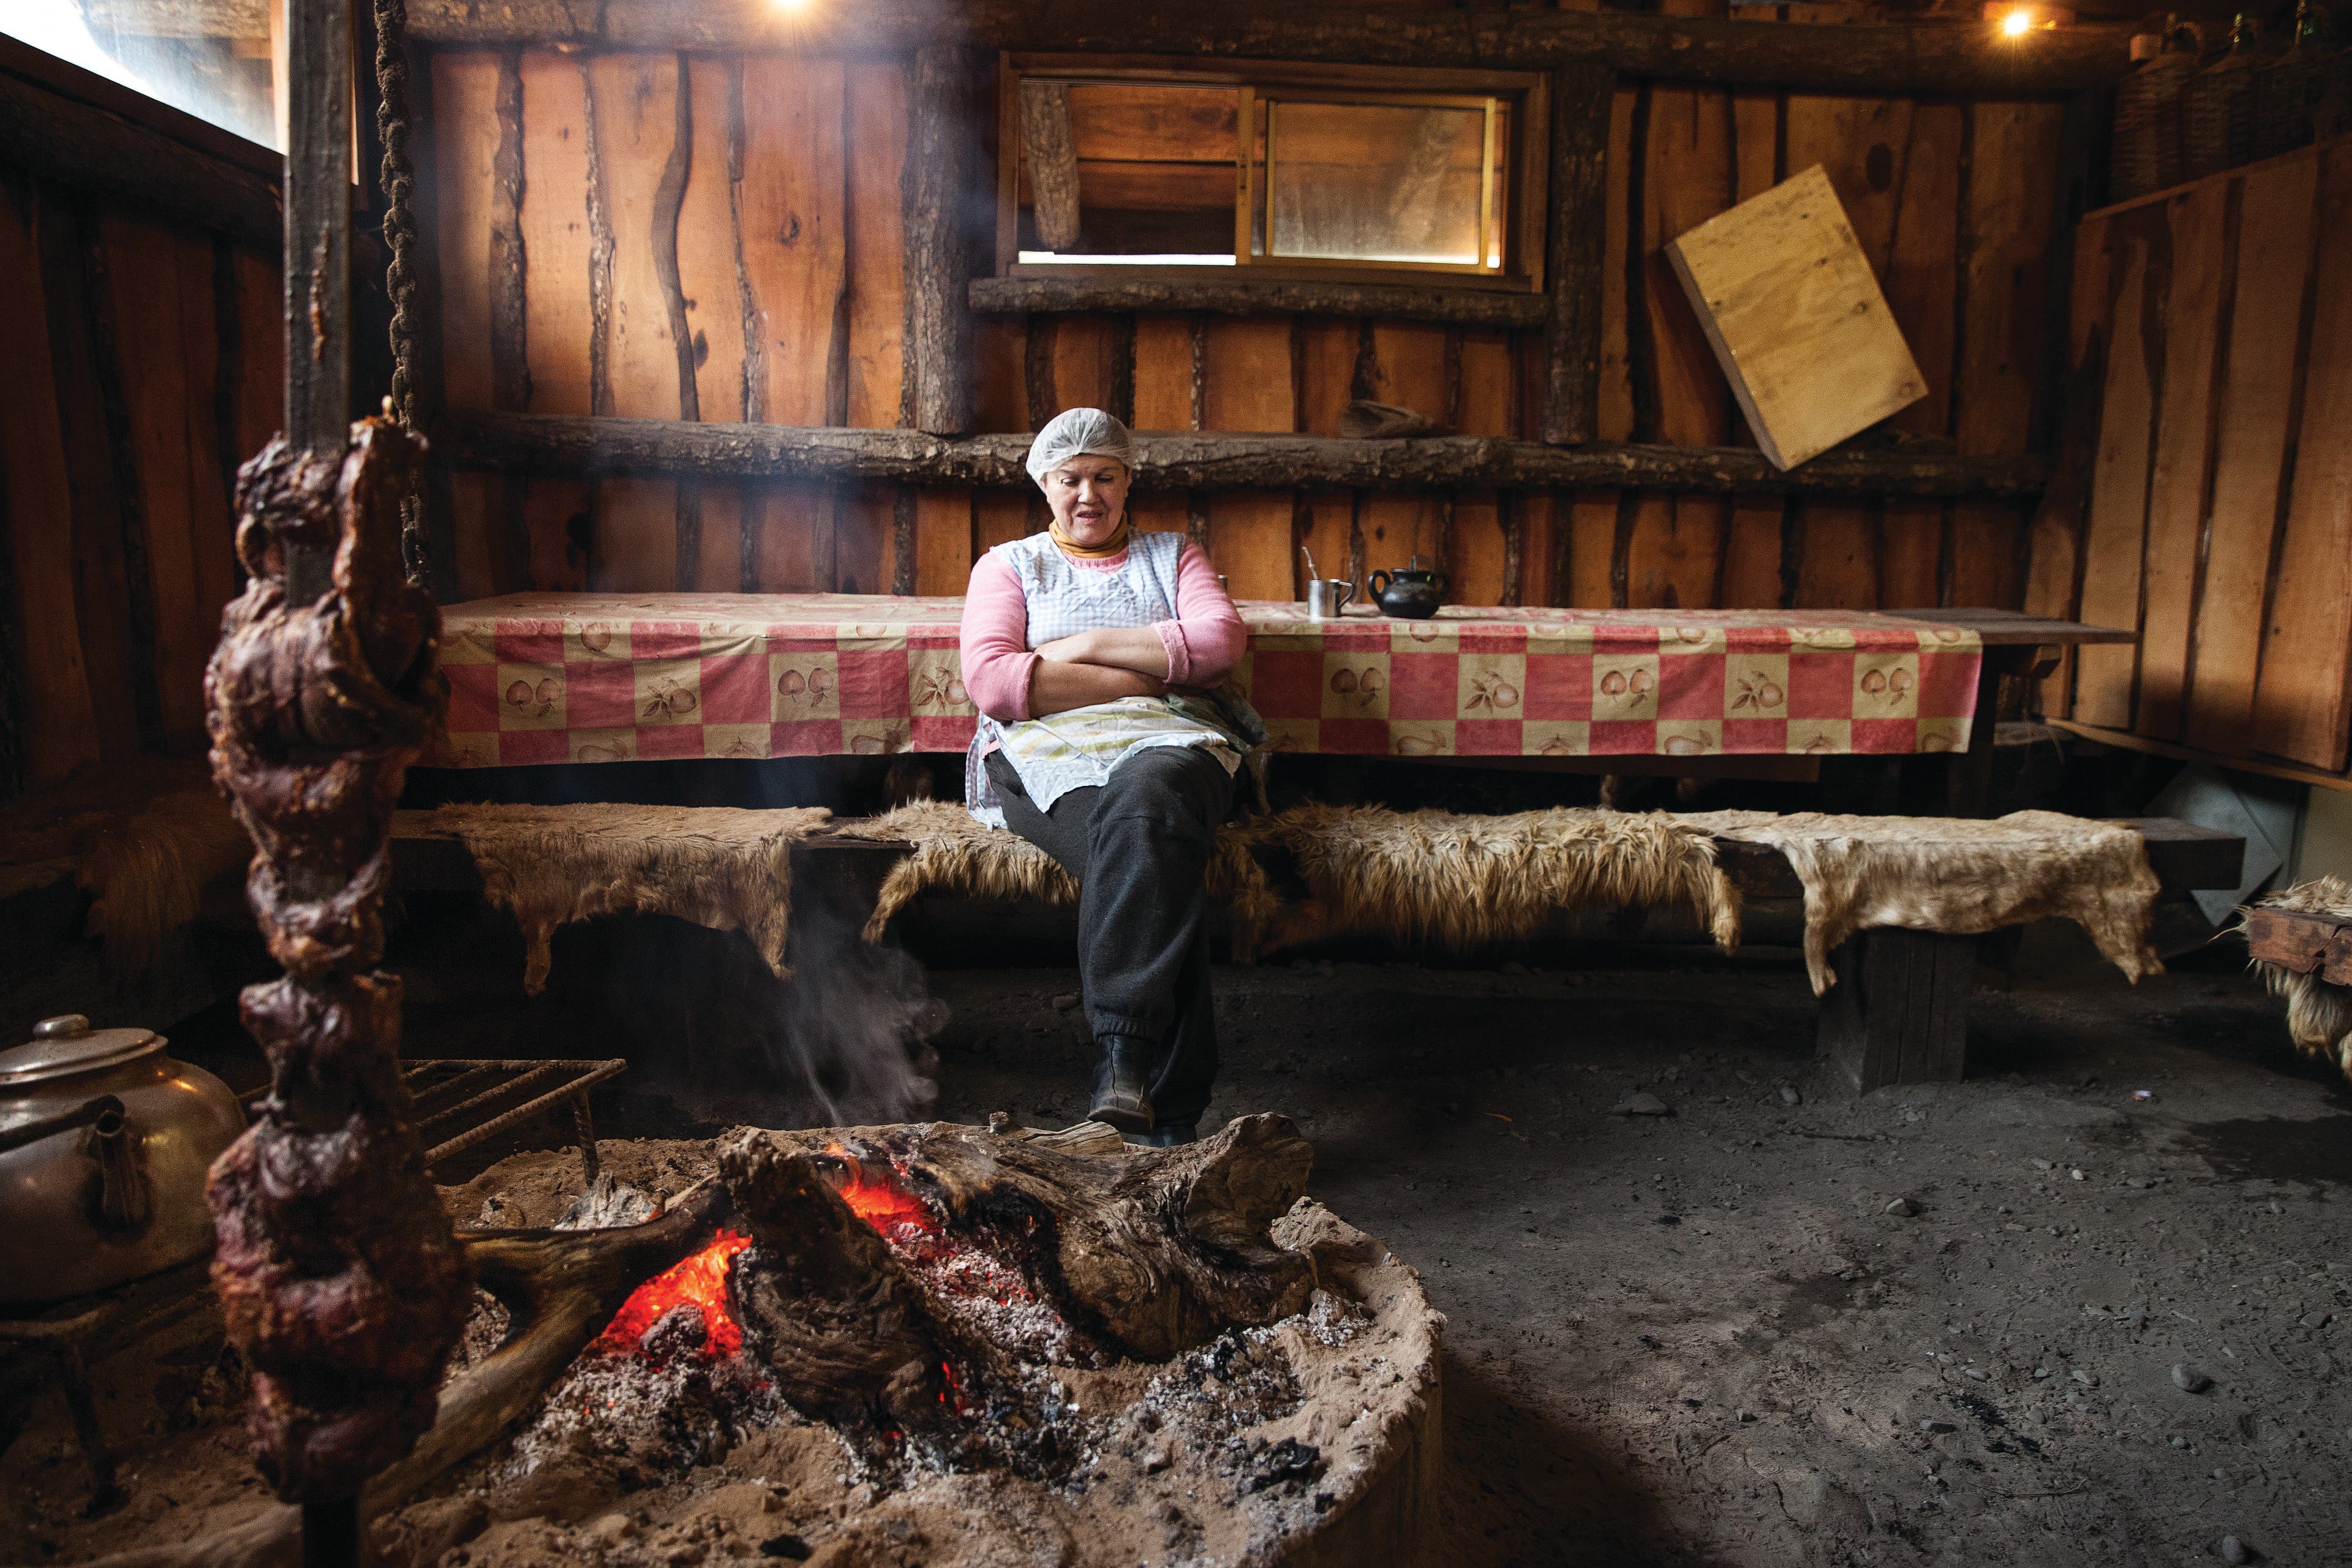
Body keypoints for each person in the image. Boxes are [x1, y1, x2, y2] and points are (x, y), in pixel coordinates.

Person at [958, 409, 1256, 1146]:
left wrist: (1079, 648)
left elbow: (1218, 643)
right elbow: (995, 684)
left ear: (1127, 481)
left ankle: (1122, 1063)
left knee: (1149, 807)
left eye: (1104, 476)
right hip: (1045, 753)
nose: (1087, 494)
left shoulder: (1172, 556)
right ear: (1045, 483)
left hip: (1172, 745)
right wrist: (1141, 677)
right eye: (1070, 478)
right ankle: (1172, 1108)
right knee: (1152, 854)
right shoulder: (1009, 565)